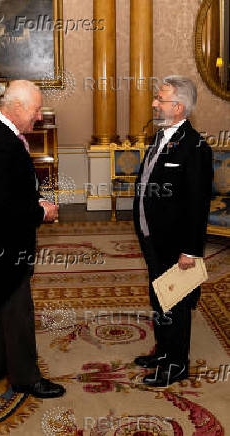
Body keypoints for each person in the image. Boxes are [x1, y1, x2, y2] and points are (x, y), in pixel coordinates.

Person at [0, 80, 65, 398]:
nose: (39, 117)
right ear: (18, 107)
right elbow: (3, 207)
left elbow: (11, 191)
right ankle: (26, 377)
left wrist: (35, 202)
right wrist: (41, 214)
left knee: (5, 303)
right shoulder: (0, 143)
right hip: (5, 245)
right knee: (18, 308)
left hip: (4, 242)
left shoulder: (6, 136)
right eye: (36, 109)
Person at [133, 76, 213, 387]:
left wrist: (191, 250)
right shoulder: (160, 137)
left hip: (177, 244)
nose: (154, 103)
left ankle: (176, 364)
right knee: (159, 297)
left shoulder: (195, 148)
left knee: (176, 303)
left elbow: (198, 205)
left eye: (160, 99)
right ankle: (164, 351)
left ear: (178, 107)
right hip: (152, 238)